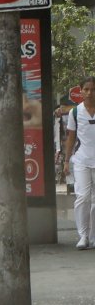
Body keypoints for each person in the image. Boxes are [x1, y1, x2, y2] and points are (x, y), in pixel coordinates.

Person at [64, 77, 95, 250]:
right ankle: (83, 235)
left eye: (93, 89)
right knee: (83, 197)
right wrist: (66, 161)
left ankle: (93, 236)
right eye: (87, 89)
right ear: (81, 91)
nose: (90, 93)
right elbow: (71, 138)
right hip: (82, 160)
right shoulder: (75, 112)